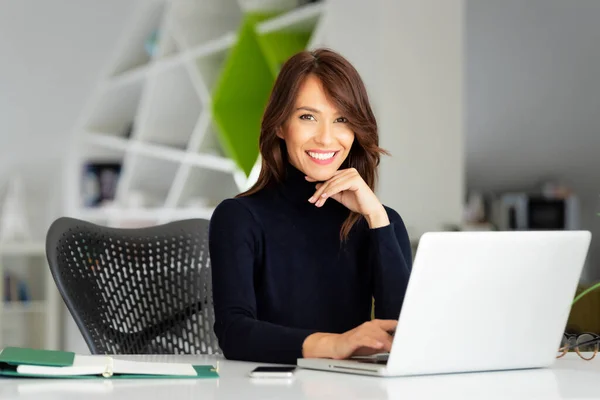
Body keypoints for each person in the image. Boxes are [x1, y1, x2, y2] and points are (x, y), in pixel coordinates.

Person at [208, 48, 412, 365]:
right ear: (280, 125)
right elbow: (234, 333)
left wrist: (376, 218)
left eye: (341, 119)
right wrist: (336, 344)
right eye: (307, 117)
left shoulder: (381, 222)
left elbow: (404, 339)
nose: (326, 138)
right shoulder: (239, 218)